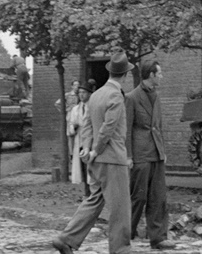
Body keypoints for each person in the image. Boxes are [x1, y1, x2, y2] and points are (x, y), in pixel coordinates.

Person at [52, 52, 134, 254]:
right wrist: (96, 150)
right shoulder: (116, 95)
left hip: (96, 161)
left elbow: (87, 126)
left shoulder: (96, 95)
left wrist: (87, 149)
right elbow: (109, 127)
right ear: (125, 75)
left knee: (95, 200)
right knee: (120, 208)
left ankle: (66, 238)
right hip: (112, 159)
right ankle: (120, 249)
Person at [126, 59, 175, 250]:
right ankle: (124, 234)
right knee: (138, 197)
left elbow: (159, 127)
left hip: (156, 154)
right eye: (159, 73)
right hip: (140, 155)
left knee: (158, 197)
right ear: (151, 75)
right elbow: (127, 130)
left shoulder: (156, 95)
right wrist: (128, 156)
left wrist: (163, 151)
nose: (161, 76)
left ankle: (158, 238)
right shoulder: (132, 97)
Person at [68, 80, 94, 196]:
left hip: (91, 141)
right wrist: (73, 127)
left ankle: (93, 192)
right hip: (79, 140)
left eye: (84, 92)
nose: (81, 95)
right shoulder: (75, 109)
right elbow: (70, 125)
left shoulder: (93, 107)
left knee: (91, 166)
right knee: (82, 167)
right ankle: (86, 192)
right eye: (80, 93)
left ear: (89, 94)